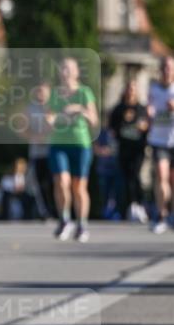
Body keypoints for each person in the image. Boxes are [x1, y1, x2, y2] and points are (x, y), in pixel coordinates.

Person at [46, 57, 98, 243]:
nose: (65, 72)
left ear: (76, 72)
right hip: (59, 143)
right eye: (62, 68)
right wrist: (60, 115)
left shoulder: (85, 93)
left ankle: (82, 224)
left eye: (69, 68)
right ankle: (64, 219)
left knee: (79, 186)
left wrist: (80, 110)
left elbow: (94, 120)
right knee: (61, 181)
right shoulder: (54, 94)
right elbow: (49, 119)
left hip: (80, 145)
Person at [109, 78, 149, 223]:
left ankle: (139, 204)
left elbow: (147, 126)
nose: (130, 91)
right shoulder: (118, 109)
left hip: (138, 148)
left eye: (133, 88)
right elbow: (112, 128)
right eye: (128, 88)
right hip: (123, 148)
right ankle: (129, 206)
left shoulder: (141, 108)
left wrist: (144, 127)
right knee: (126, 178)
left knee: (135, 175)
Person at [146, 55, 174, 234]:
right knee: (161, 176)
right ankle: (162, 214)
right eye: (164, 67)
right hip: (159, 140)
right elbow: (149, 109)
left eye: (170, 67)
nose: (166, 70)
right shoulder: (153, 89)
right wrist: (149, 113)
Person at [25, 82, 55, 219]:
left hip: (52, 151)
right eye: (39, 91)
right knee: (39, 182)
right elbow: (24, 129)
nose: (41, 94)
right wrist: (35, 136)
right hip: (36, 152)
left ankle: (56, 209)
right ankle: (45, 211)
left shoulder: (54, 107)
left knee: (53, 182)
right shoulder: (30, 109)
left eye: (43, 91)